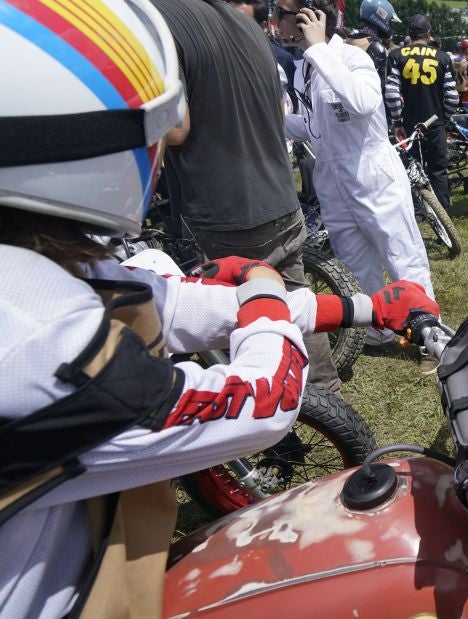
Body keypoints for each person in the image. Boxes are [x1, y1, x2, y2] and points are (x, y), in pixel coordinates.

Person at [0, 1, 440, 616]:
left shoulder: (35, 272)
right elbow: (264, 400)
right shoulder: (37, 340)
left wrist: (362, 307)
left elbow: (173, 304)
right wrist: (262, 290)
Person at [151, 0, 343, 394]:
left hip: (224, 212)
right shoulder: (248, 28)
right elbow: (277, 111)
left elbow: (177, 129)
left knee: (232, 319)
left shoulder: (157, 20)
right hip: (279, 199)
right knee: (295, 306)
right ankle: (328, 400)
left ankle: (258, 420)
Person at [278, 0, 436, 347]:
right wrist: (273, 120)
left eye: (283, 14)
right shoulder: (303, 68)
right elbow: (313, 126)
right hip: (332, 176)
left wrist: (320, 49)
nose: (276, 21)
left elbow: (362, 103)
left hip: (371, 171)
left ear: (312, 17)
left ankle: (427, 330)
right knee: (354, 259)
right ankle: (379, 329)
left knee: (400, 254)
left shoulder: (351, 58)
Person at [385, 14, 459, 210]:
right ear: (428, 34)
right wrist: (444, 118)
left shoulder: (396, 55)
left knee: (411, 168)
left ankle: (416, 210)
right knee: (438, 169)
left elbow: (392, 94)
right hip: (435, 123)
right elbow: (452, 97)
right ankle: (443, 212)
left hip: (409, 123)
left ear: (409, 33)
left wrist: (397, 121)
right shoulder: (443, 57)